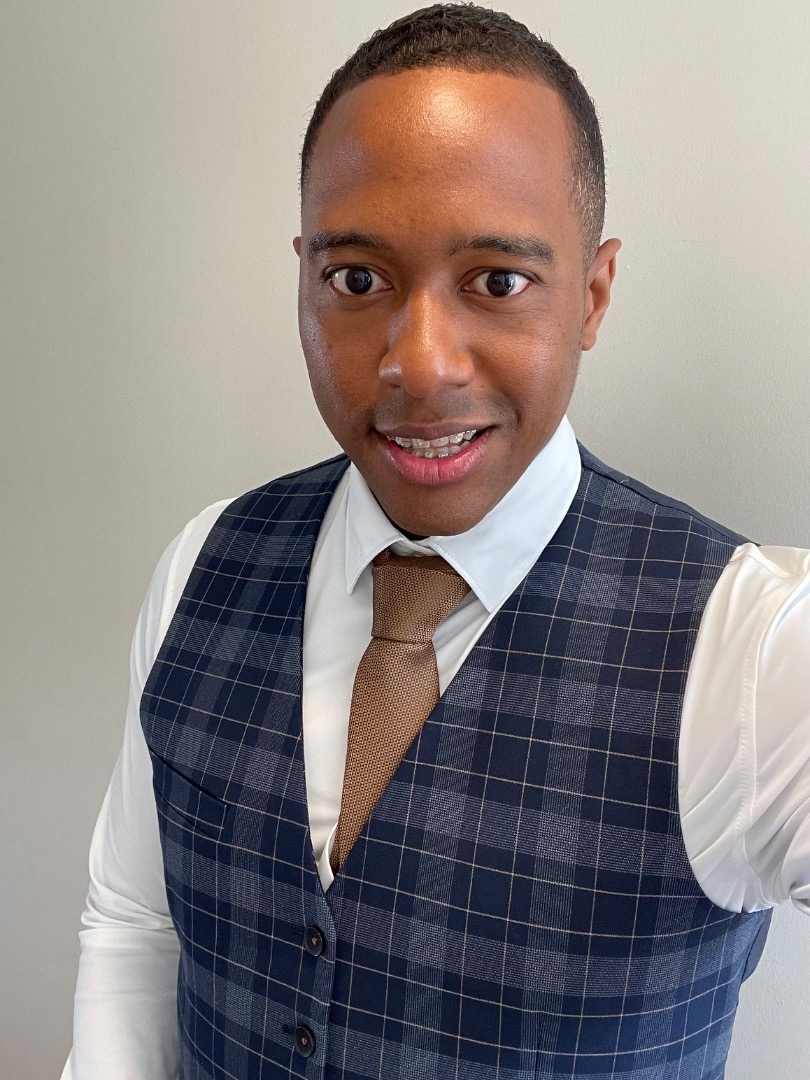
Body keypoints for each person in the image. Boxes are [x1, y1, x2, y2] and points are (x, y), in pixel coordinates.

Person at [63, 5, 809, 1079]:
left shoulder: (750, 655)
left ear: (593, 296)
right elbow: (137, 917)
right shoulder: (201, 565)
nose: (420, 365)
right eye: (358, 280)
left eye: (498, 282)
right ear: (305, 277)